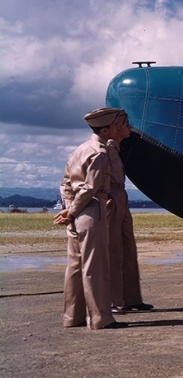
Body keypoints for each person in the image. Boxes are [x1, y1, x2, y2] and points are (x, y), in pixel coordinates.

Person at [56, 107, 126, 330]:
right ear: (105, 130)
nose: (118, 128)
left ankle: (71, 317)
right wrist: (73, 211)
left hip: (76, 212)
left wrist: (68, 209)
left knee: (75, 267)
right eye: (115, 126)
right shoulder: (100, 152)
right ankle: (100, 318)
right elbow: (90, 188)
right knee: (95, 267)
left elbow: (66, 183)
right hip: (91, 210)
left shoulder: (80, 149)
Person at [107, 110, 152, 315]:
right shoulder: (106, 150)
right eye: (126, 125)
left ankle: (131, 298)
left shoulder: (116, 149)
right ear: (117, 128)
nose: (130, 128)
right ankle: (114, 300)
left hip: (121, 198)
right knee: (114, 251)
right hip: (112, 200)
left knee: (128, 249)